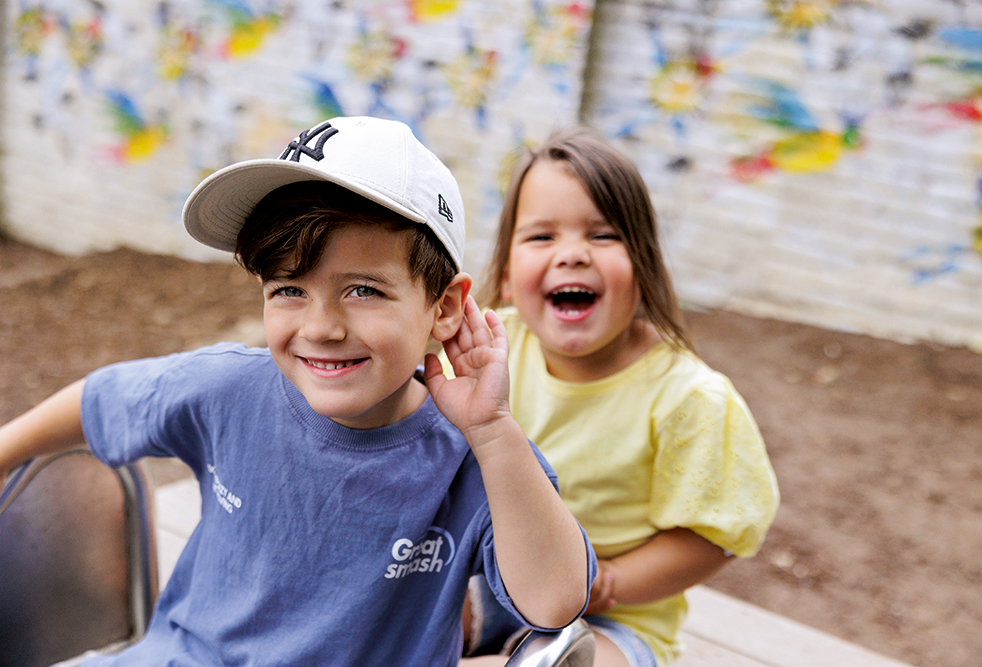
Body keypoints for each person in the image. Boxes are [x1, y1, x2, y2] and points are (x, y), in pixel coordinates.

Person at [0, 116, 595, 666]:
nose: (321, 327)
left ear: (443, 307)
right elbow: (101, 399)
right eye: (288, 288)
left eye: (362, 290)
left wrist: (492, 433)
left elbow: (554, 604)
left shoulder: (476, 453)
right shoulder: (227, 387)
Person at [460, 127, 780, 667]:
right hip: (492, 578)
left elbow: (714, 534)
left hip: (613, 617)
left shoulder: (688, 399)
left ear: (644, 268)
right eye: (542, 237)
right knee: (389, 612)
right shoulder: (492, 350)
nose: (572, 255)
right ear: (508, 275)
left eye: (603, 235)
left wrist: (610, 581)